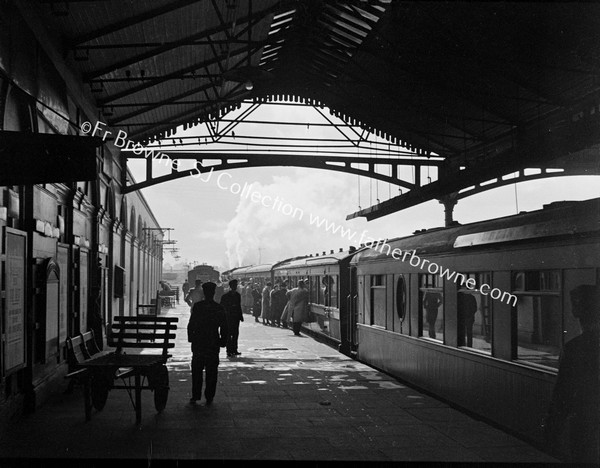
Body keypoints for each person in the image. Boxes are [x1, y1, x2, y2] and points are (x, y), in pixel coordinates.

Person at [544, 284, 600, 464]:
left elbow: (563, 394)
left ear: (577, 311)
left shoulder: (575, 348)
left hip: (585, 426)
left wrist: (551, 432)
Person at [187, 281, 228, 406]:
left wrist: (191, 338)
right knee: (212, 371)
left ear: (204, 292)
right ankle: (209, 396)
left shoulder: (198, 307)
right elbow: (224, 327)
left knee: (197, 370)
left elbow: (191, 324)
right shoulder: (219, 308)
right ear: (214, 292)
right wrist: (223, 341)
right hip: (213, 342)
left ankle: (195, 395)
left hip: (199, 342)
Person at [220, 279, 243, 357]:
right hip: (228, 317)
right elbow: (222, 307)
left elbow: (239, 306)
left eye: (236, 285)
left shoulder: (237, 295)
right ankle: (229, 350)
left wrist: (240, 316)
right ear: (231, 286)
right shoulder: (225, 296)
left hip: (235, 317)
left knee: (235, 333)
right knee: (229, 334)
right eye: (234, 285)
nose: (235, 287)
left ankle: (234, 349)